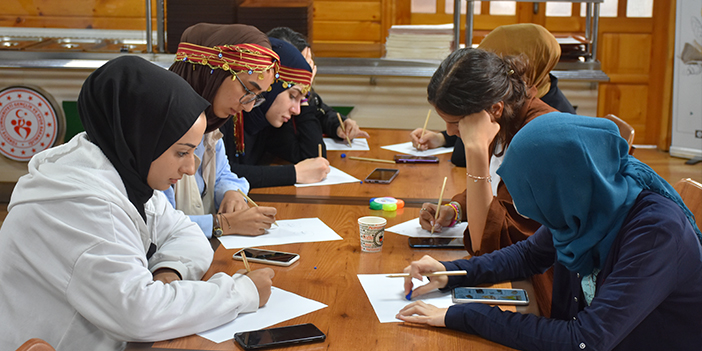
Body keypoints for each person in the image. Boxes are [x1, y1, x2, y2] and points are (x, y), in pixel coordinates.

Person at [0, 56, 275, 350]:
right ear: (142, 137)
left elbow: (185, 232)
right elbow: (139, 313)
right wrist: (240, 293)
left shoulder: (124, 169)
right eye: (181, 153)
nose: (190, 168)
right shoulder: (81, 202)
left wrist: (169, 270)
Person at [397, 114, 702, 351]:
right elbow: (530, 254)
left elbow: (584, 340)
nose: (524, 209)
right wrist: (450, 272)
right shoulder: (587, 200)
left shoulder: (655, 234)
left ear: (560, 190)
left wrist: (465, 315)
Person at [416, 47, 557, 316]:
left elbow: (489, 248)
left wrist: (477, 151)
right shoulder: (508, 114)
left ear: (494, 109)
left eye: (455, 122)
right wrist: (455, 209)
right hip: (523, 274)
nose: (449, 132)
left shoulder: (535, 138)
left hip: (548, 290)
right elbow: (498, 190)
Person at [166, 23, 280, 236]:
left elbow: (223, 174)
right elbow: (156, 221)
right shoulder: (160, 126)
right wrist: (223, 224)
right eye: (248, 90)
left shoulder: (209, 124)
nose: (247, 107)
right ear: (212, 73)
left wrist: (231, 193)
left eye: (256, 98)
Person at [410, 23, 575, 167]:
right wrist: (442, 138)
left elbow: (462, 157)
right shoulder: (514, 102)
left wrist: (476, 149)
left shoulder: (543, 125)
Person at [221, 37, 331, 188]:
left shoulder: (269, 120)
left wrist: (305, 98)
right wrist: (294, 174)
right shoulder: (228, 112)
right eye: (292, 96)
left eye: (301, 101)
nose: (297, 110)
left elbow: (314, 162)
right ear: (271, 87)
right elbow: (221, 172)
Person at [266, 26, 369, 161]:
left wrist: (339, 125)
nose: (305, 72)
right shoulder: (272, 110)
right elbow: (313, 157)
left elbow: (321, 111)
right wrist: (303, 98)